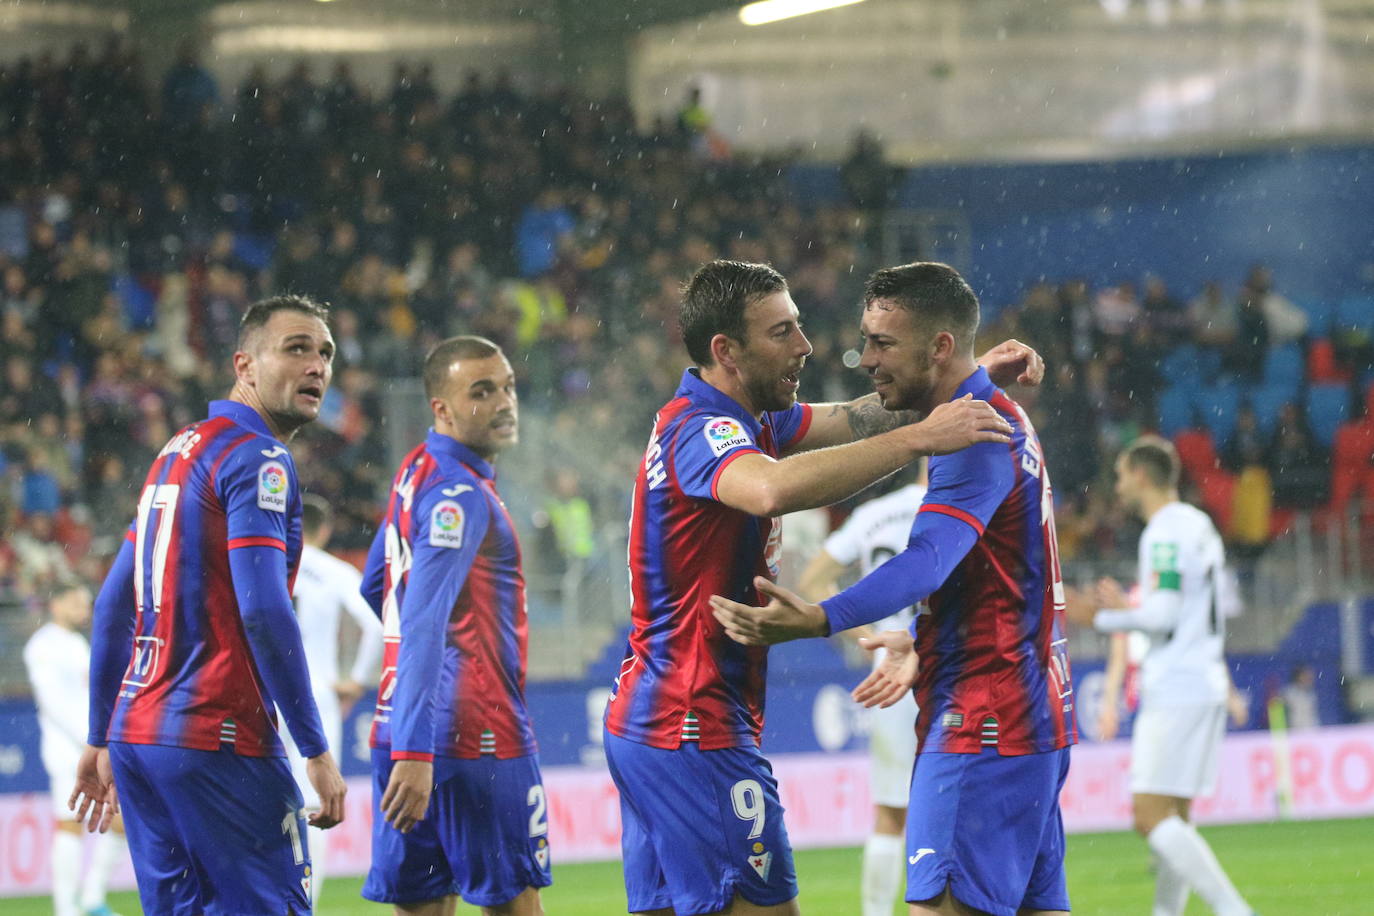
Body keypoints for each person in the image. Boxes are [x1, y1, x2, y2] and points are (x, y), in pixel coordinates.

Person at [603, 258, 1044, 916]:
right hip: (693, 724)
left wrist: (955, 383)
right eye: (782, 332)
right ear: (727, 350)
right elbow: (769, 489)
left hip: (656, 722)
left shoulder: (751, 418)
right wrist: (926, 434)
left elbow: (856, 418)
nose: (805, 347)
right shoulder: (703, 429)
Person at [71, 295, 348, 916]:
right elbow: (263, 610)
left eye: (325, 353)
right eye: (296, 348)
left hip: (141, 740)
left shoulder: (178, 450)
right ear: (244, 364)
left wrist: (100, 733)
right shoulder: (260, 457)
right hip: (218, 735)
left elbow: (116, 603)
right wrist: (315, 749)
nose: (317, 367)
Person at [360, 335, 550, 916]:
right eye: (482, 392)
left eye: (508, 386)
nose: (504, 402)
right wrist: (424, 749)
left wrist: (412, 740)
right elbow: (420, 620)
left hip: (399, 726)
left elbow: (377, 585)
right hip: (478, 732)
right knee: (512, 902)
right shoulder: (460, 494)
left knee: (421, 904)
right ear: (440, 407)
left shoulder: (416, 470)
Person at [1066, 435, 1255, 916]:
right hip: (1204, 679)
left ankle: (1236, 910)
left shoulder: (1164, 532)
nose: (1118, 485)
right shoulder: (1199, 525)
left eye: (1121, 475)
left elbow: (1162, 615)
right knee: (1177, 818)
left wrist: (1107, 615)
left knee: (1149, 817)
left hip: (1177, 686)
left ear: (1142, 477)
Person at [796, 464, 927, 916]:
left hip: (888, 669)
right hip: (949, 663)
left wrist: (869, 638)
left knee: (891, 813)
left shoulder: (876, 514)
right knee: (961, 802)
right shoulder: (962, 508)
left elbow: (813, 582)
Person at [282, 494, 385, 907]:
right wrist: (357, 680)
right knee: (313, 804)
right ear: (323, 530)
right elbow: (376, 626)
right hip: (315, 694)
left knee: (266, 799)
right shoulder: (332, 570)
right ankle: (305, 901)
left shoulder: (265, 559)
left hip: (261, 695)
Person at [23, 580, 126, 916]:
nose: (84, 609)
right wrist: (88, 741)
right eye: (77, 603)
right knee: (70, 823)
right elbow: (51, 703)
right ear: (56, 605)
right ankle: (67, 909)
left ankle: (92, 898)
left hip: (94, 746)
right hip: (69, 751)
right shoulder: (42, 646)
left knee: (118, 820)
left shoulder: (77, 643)